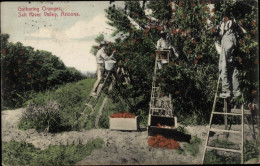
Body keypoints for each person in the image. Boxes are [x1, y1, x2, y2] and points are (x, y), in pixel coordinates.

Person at [218, 16, 243, 98]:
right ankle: (236, 91)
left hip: (227, 39)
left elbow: (221, 32)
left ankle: (226, 90)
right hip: (234, 39)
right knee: (232, 67)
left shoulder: (225, 18)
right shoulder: (234, 18)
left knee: (223, 65)